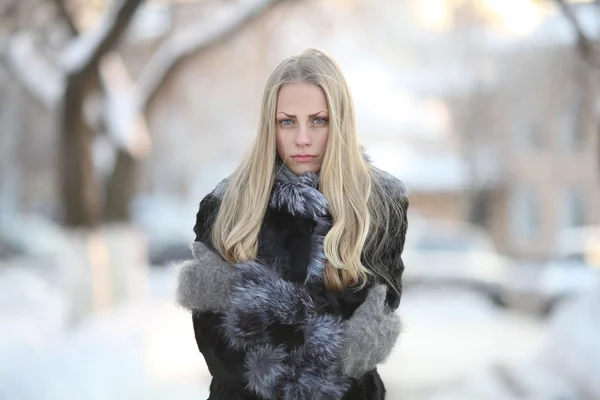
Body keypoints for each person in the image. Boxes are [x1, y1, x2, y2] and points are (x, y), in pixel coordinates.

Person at [176, 48, 409, 400]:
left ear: (340, 122)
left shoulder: (377, 204)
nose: (303, 138)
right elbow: (216, 342)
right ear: (270, 125)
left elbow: (374, 318)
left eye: (319, 120)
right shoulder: (226, 205)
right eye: (287, 121)